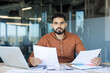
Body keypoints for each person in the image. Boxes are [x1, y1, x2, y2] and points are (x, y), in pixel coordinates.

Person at [28, 13, 101, 67]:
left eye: (61, 23)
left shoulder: (74, 38)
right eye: (56, 23)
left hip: (70, 68)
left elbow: (84, 56)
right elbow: (30, 60)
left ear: (65, 24)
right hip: (51, 69)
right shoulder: (45, 39)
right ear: (52, 26)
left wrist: (94, 61)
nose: (59, 26)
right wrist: (33, 62)